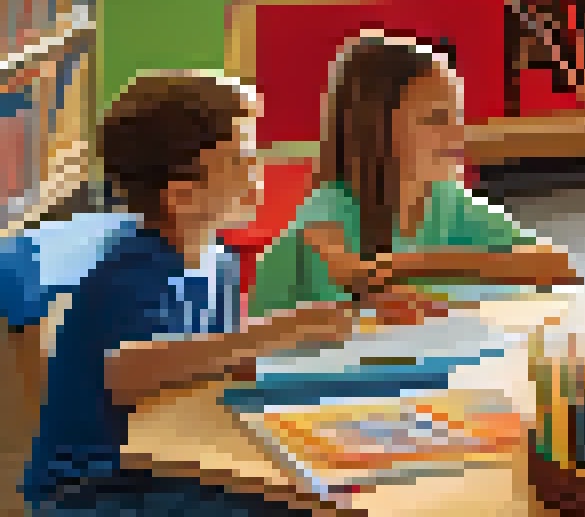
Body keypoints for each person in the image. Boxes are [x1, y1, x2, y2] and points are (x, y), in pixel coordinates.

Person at [23, 72, 357, 517]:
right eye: (243, 161)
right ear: (182, 196)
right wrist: (275, 331)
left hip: (170, 462)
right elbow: (129, 374)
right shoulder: (127, 271)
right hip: (96, 490)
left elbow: (218, 361)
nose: (259, 173)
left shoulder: (218, 259)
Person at [248, 34, 580, 317]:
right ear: (377, 129)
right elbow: (350, 273)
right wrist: (448, 268)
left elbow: (557, 267)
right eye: (436, 119)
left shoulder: (446, 201)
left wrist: (420, 261)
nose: (456, 133)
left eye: (457, 116)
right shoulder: (331, 204)